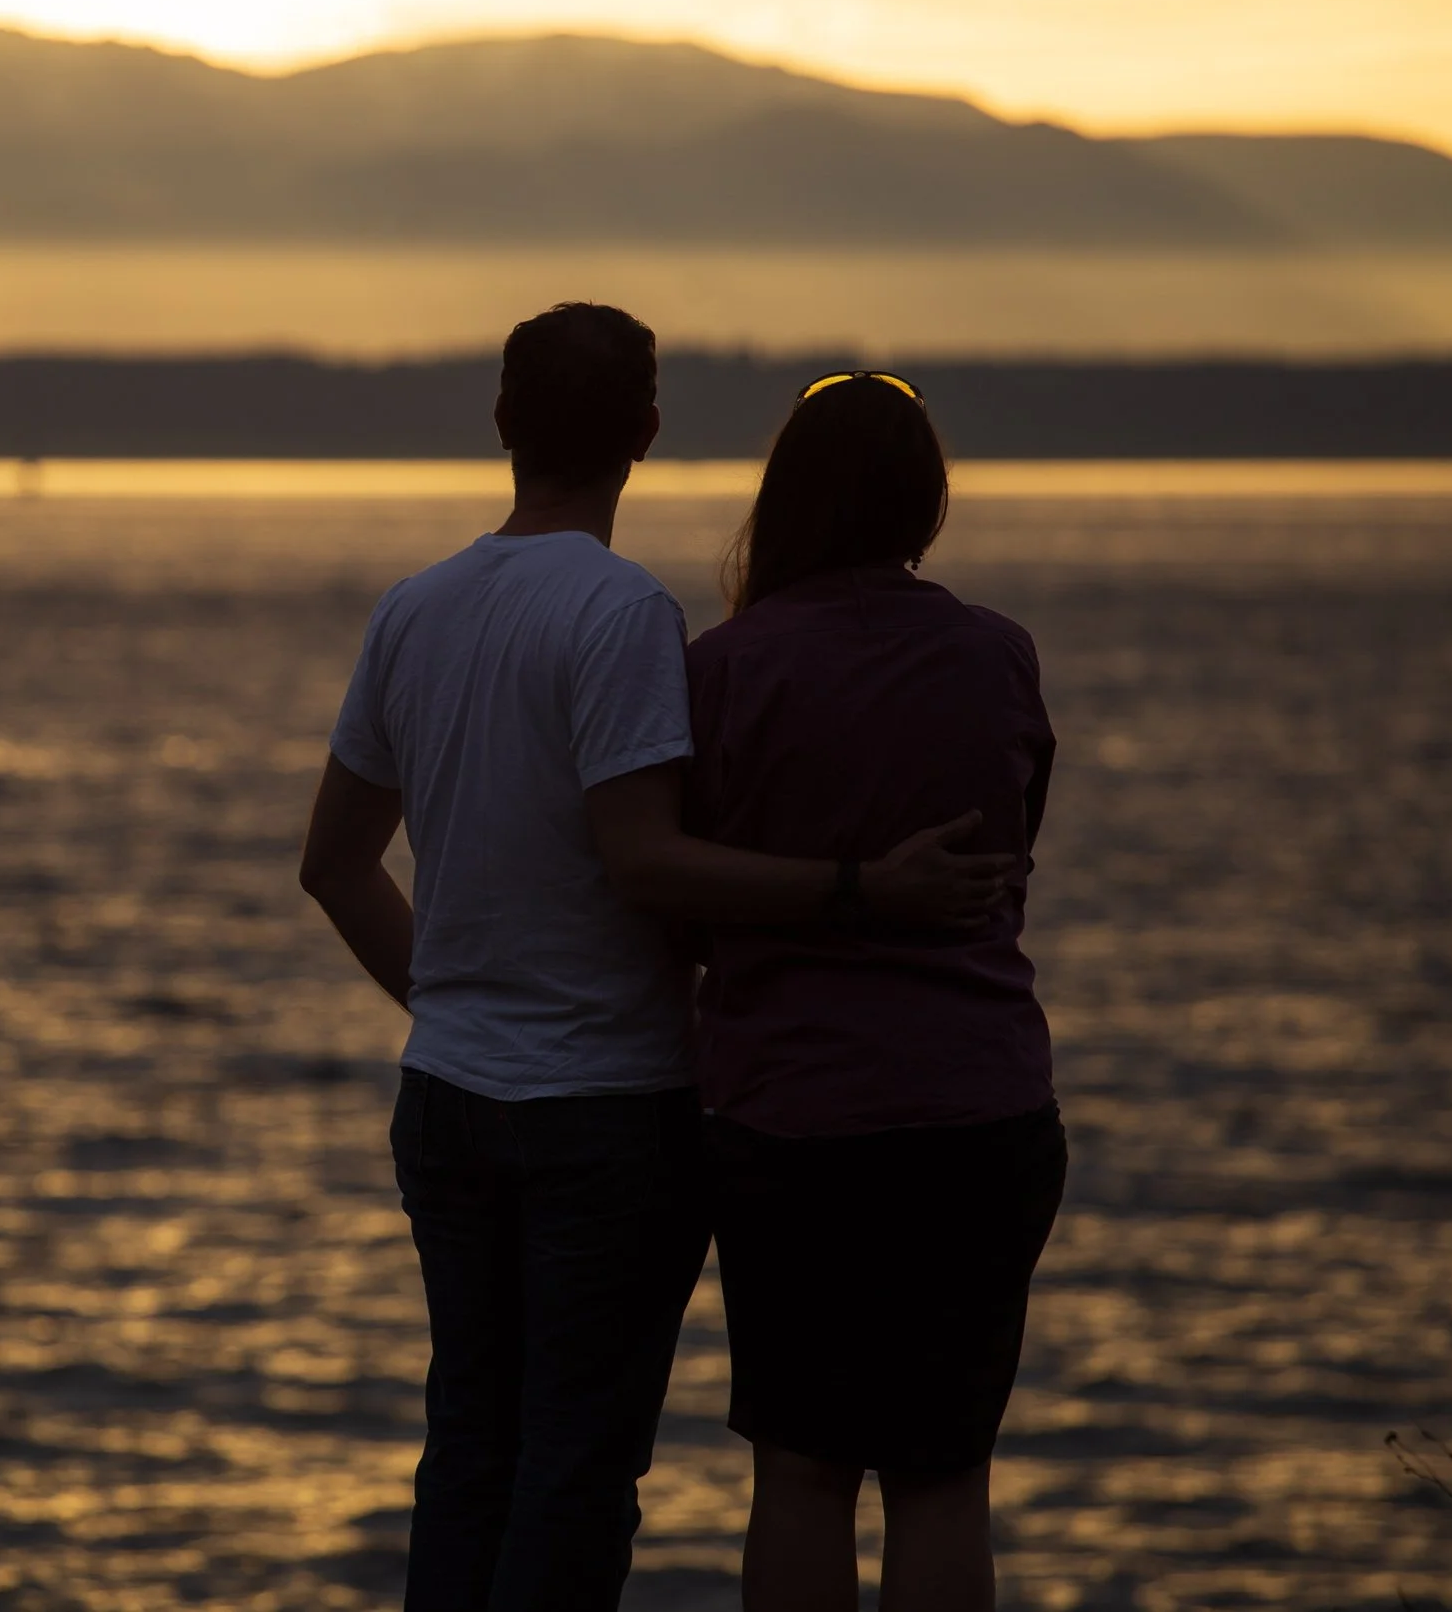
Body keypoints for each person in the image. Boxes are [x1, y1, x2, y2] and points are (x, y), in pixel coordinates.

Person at [297, 308, 1015, 1612]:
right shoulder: (624, 609)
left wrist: (453, 1003)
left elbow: (336, 861)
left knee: (468, 1447)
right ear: (645, 433)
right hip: (605, 1107)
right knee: (575, 1463)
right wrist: (864, 887)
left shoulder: (415, 608)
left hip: (449, 1096)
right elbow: (644, 862)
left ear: (503, 426)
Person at [681, 371, 1064, 1612]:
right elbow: (1011, 861)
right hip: (978, 1107)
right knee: (945, 1477)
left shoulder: (721, 670)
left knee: (800, 1472)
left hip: (795, 1115)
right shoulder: (998, 655)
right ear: (926, 502)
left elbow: (682, 899)